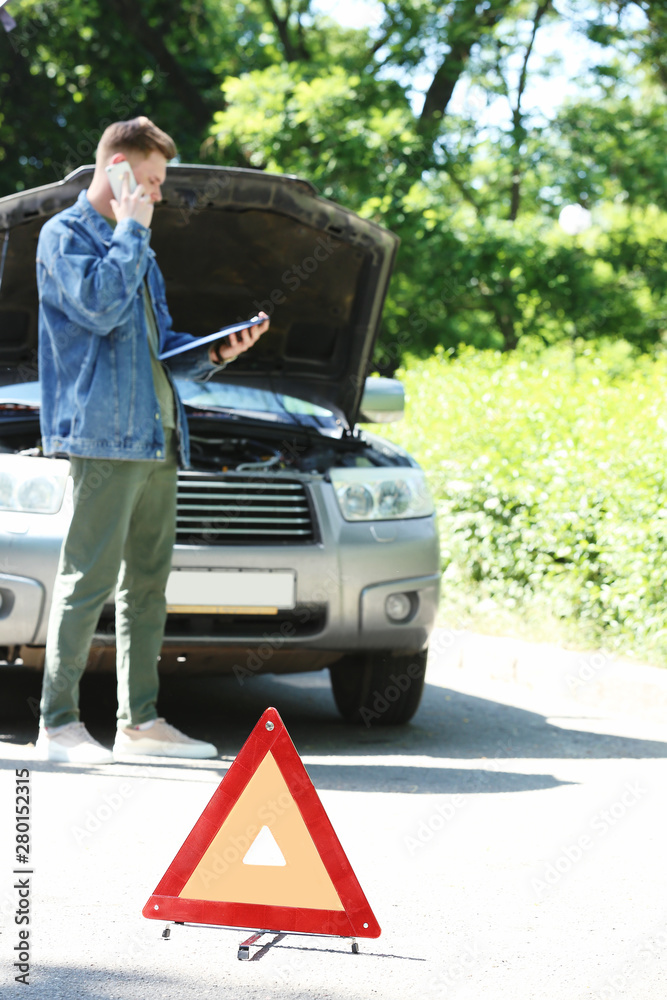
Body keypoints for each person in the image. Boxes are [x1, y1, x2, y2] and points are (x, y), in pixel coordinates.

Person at [35, 117, 269, 764]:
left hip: (157, 433)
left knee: (147, 585)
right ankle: (56, 725)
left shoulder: (137, 246)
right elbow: (101, 308)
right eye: (152, 181)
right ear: (115, 168)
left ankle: (138, 723)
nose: (159, 196)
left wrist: (220, 351)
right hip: (104, 438)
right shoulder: (65, 237)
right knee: (87, 581)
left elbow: (162, 350)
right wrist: (131, 230)